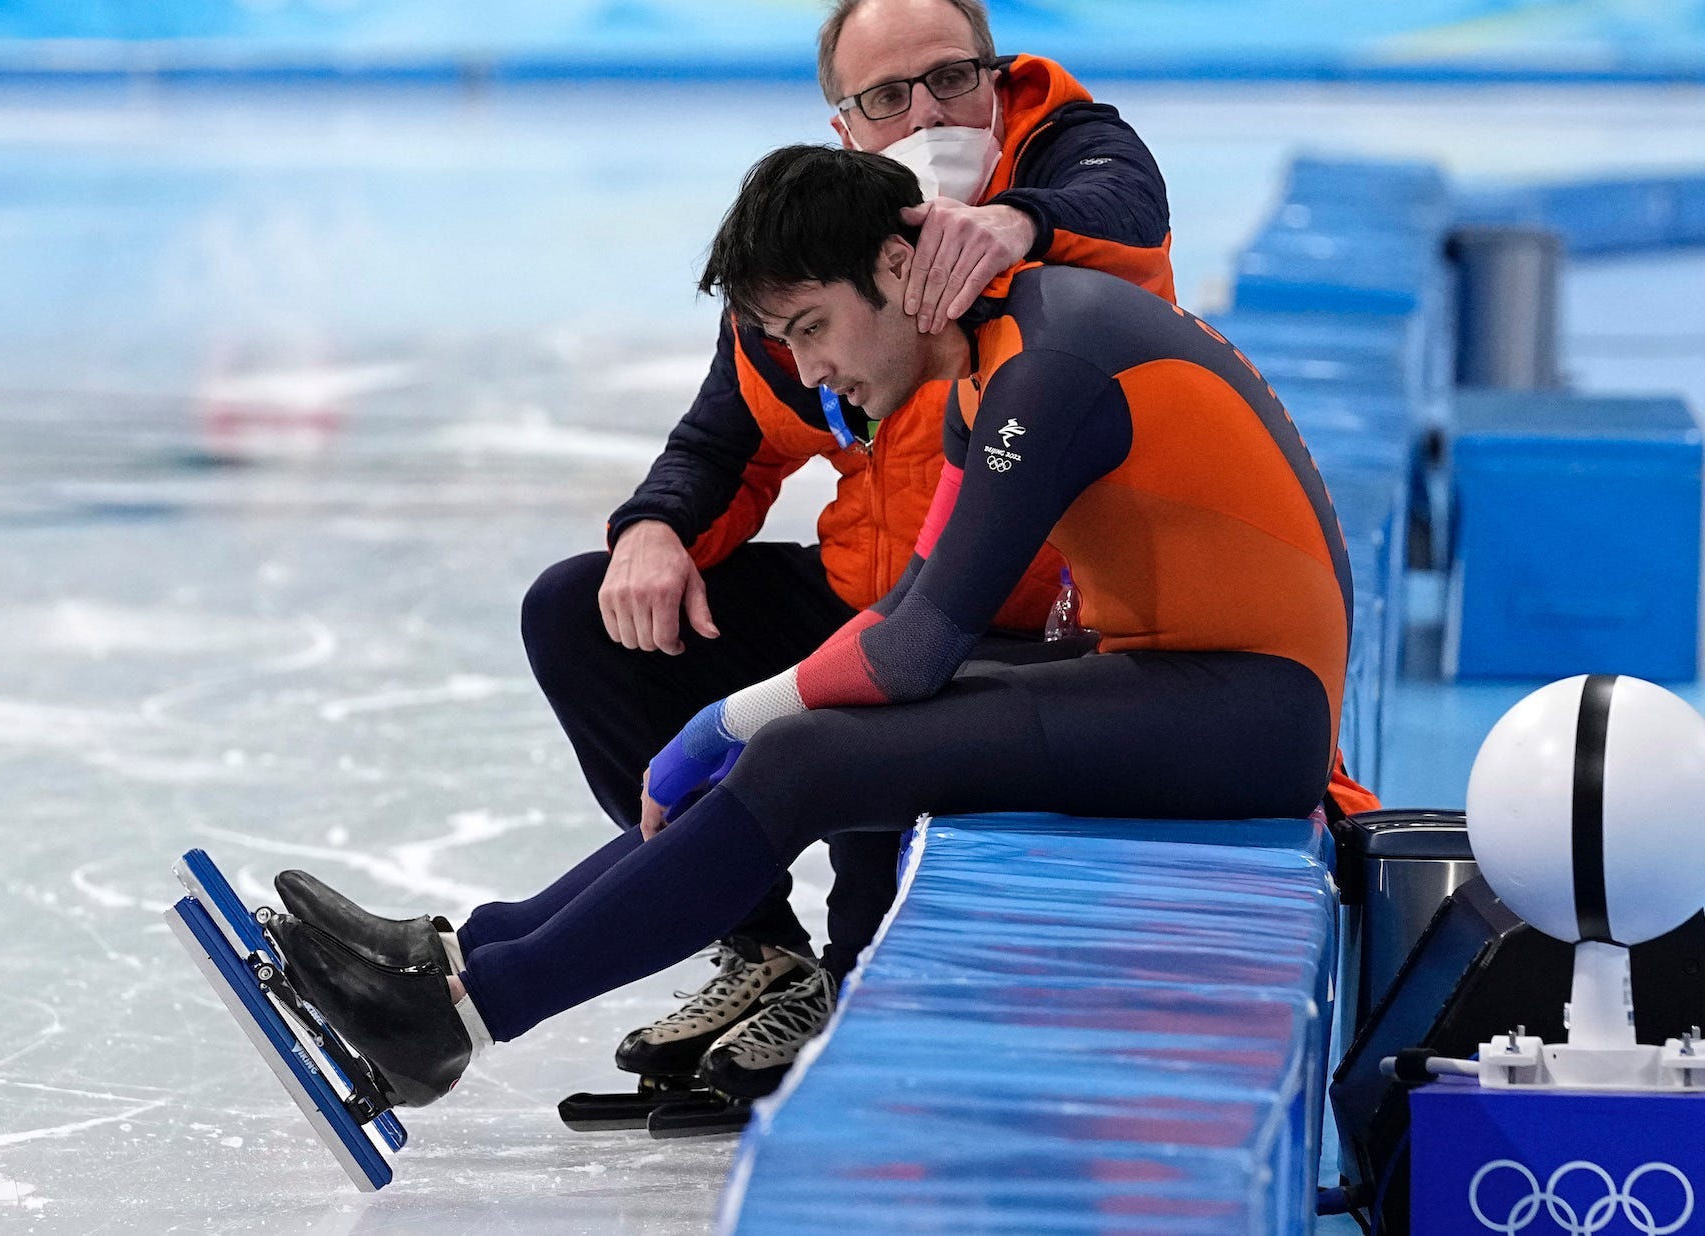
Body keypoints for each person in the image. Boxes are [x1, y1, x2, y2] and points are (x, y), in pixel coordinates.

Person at [267, 143, 1374, 1111]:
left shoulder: (1048, 371)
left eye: (812, 328)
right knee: (805, 731)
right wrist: (727, 728)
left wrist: (716, 725)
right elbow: (907, 617)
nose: (812, 373)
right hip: (1183, 681)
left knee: (805, 751)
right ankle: (470, 958)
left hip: (1249, 713)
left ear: (897, 270)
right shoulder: (993, 360)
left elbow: (907, 652)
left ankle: (459, 1022)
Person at [515, 0, 1176, 1096]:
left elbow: (1128, 205)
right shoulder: (826, 243)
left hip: (1005, 637)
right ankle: (764, 955)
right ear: (845, 125)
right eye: (887, 98)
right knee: (582, 612)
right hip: (877, 608)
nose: (924, 116)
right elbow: (723, 440)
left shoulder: (1070, 169)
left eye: (950, 81)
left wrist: (1016, 222)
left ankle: (804, 970)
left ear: (999, 80)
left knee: (866, 864)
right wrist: (656, 529)